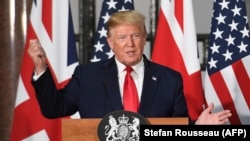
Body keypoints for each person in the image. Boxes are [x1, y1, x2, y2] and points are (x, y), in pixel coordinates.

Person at [28, 10, 231, 125]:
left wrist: (198, 128)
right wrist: (40, 68)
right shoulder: (87, 75)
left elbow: (175, 127)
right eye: (122, 38)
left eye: (135, 36)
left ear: (144, 39)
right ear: (110, 42)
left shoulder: (170, 79)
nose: (130, 44)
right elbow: (54, 109)